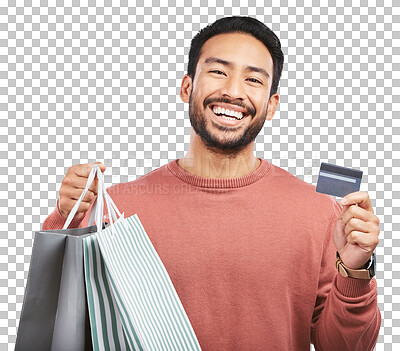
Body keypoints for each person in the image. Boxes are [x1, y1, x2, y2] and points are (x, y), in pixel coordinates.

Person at [43, 16, 381, 350]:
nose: (233, 92)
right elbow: (58, 322)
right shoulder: (117, 208)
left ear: (272, 105)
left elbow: (342, 347)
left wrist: (354, 270)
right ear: (187, 87)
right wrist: (66, 217)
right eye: (218, 72)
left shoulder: (319, 211)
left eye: (254, 80)